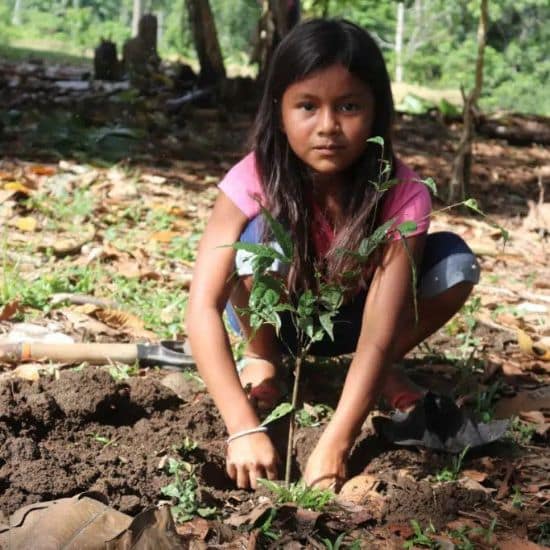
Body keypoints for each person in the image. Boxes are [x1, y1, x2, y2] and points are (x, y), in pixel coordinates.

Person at [186, 18, 480, 491]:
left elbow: (381, 326)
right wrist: (242, 426)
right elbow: (201, 308)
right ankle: (263, 356)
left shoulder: (401, 194)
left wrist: (335, 443)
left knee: (454, 265)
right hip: (280, 318)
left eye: (348, 106)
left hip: (359, 320)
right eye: (307, 105)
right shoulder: (250, 180)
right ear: (278, 109)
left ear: (377, 112)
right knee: (256, 241)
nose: (328, 127)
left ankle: (377, 372)